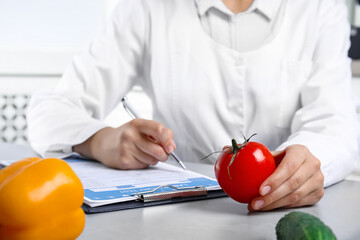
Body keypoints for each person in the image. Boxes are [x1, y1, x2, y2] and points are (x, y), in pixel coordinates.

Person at [27, 0, 360, 212]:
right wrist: (102, 140)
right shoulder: (147, 8)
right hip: (179, 218)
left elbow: (336, 124)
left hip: (289, 216)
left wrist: (309, 159)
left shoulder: (320, 9)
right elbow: (48, 111)